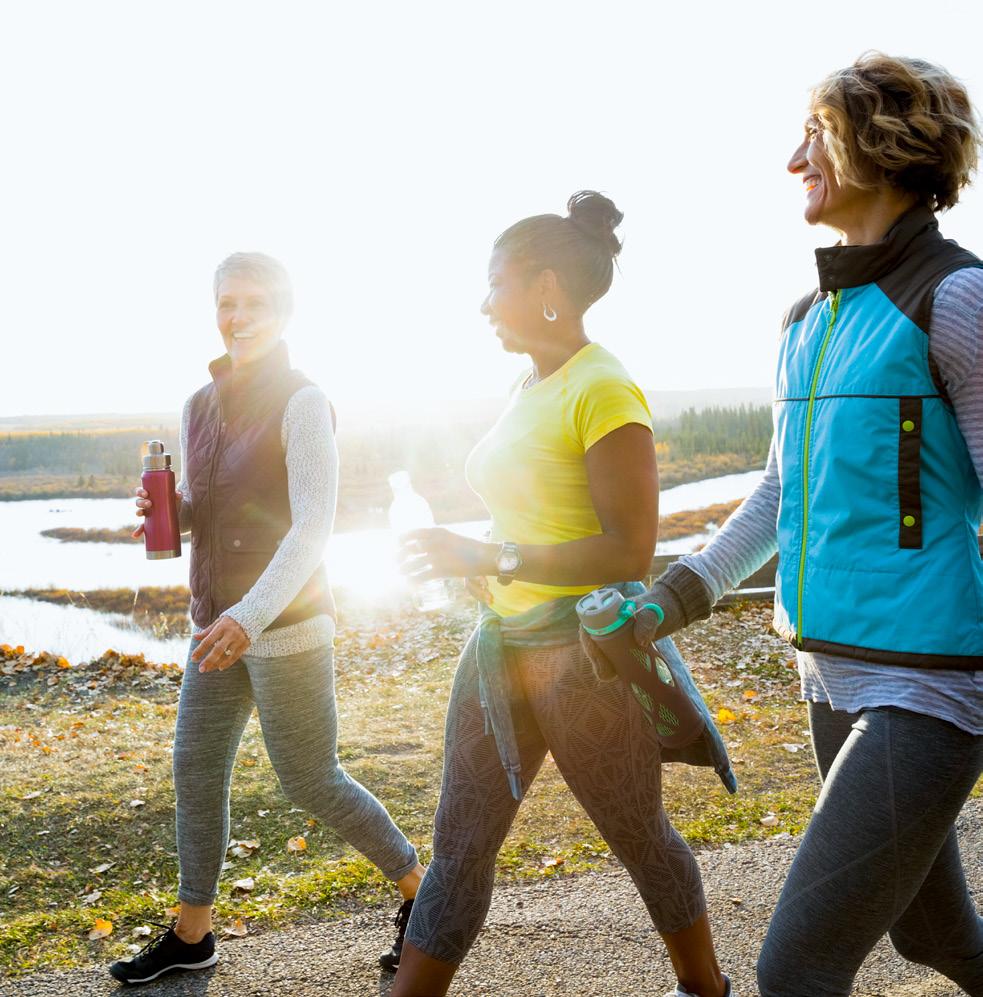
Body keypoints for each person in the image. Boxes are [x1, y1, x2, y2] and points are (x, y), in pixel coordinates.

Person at [605, 54, 983, 997]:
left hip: (927, 686)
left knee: (795, 970)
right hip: (828, 674)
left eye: (813, 136)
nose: (791, 160)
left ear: (884, 142)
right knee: (936, 939)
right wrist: (666, 601)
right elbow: (780, 496)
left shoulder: (956, 300)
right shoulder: (804, 319)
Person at [392, 193, 735, 997]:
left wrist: (488, 551)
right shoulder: (529, 382)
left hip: (585, 657)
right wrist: (477, 556)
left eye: (495, 283)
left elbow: (629, 548)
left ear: (545, 282)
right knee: (460, 845)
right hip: (499, 649)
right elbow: (536, 507)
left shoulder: (603, 386)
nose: (482, 303)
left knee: (637, 836)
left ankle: (705, 990)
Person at [109, 252, 425, 985]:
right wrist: (168, 511)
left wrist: (249, 617)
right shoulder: (198, 403)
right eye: (226, 301)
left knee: (310, 779)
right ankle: (193, 934)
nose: (237, 315)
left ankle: (421, 891)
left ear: (281, 311)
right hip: (212, 624)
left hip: (284, 627)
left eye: (252, 302)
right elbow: (214, 505)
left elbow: (312, 525)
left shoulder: (304, 401)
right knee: (194, 767)